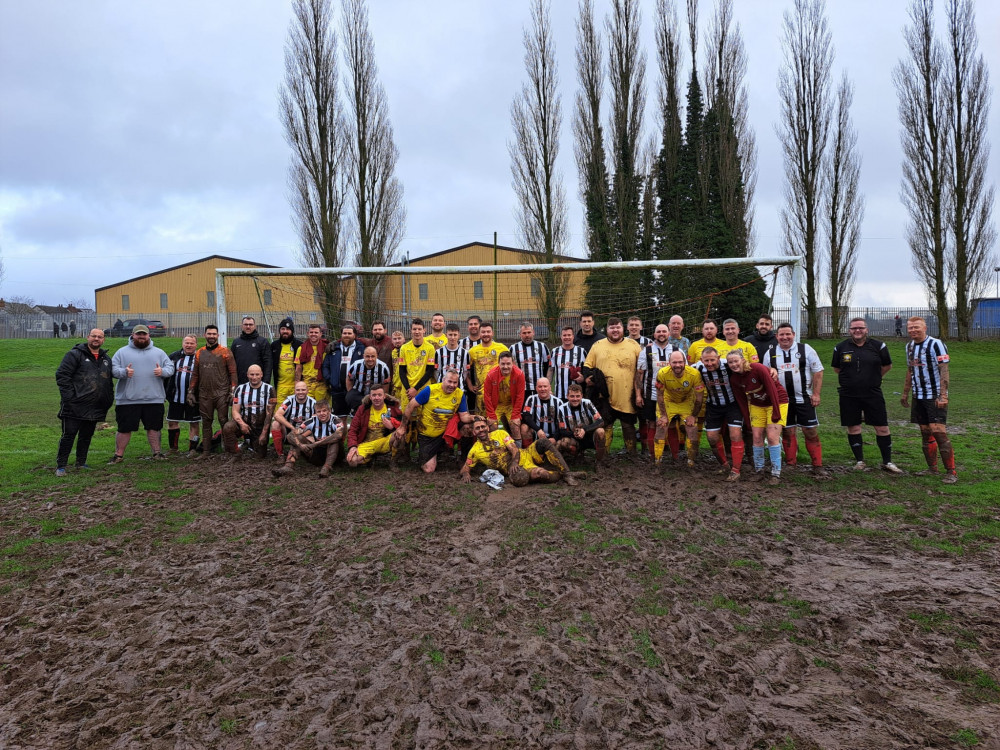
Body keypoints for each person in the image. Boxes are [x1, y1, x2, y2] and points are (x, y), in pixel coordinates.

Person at [832, 317, 902, 473]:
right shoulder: (840, 347)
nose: (857, 331)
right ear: (849, 330)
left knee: (882, 427)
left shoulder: (879, 346)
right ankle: (860, 461)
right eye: (854, 328)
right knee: (853, 427)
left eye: (860, 328)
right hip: (848, 394)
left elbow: (887, 365)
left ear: (866, 330)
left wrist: (872, 379)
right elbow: (837, 368)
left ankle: (887, 462)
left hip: (872, 393)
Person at [762, 323, 826, 475]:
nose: (785, 337)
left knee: (810, 431)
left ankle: (817, 466)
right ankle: (791, 463)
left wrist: (816, 394)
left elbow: (818, 371)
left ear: (794, 334)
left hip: (804, 398)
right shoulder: (769, 354)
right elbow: (765, 377)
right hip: (782, 401)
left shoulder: (806, 349)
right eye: (781, 335)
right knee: (788, 431)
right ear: (776, 336)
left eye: (787, 334)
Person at [901, 316, 957, 483]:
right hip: (918, 396)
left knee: (939, 432)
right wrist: (905, 393)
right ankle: (932, 469)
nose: (913, 330)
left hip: (934, 396)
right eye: (910, 328)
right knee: (925, 432)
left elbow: (944, 369)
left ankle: (951, 472)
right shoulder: (909, 347)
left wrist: (943, 395)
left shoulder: (936, 344)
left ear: (925, 328)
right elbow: (910, 370)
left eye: (916, 327)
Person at [109, 324, 175, 463]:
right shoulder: (121, 352)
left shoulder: (159, 352)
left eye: (144, 334)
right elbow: (113, 370)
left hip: (154, 398)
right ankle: (118, 455)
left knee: (154, 428)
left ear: (148, 335)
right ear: (132, 335)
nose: (141, 337)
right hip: (128, 399)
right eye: (138, 334)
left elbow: (170, 368)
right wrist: (124, 372)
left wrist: (162, 372)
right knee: (124, 428)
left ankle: (157, 453)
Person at [54, 328, 114, 476]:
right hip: (74, 405)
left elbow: (108, 380)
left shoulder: (106, 358)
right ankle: (61, 466)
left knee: (86, 435)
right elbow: (62, 376)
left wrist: (108, 399)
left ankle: (81, 463)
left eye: (100, 337)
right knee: (69, 435)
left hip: (94, 406)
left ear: (103, 340)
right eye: (94, 336)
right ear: (88, 337)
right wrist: (70, 398)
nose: (96, 339)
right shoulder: (74, 355)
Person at [460, 415, 581, 486]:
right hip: (518, 469)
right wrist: (466, 473)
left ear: (487, 427)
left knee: (544, 442)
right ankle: (559, 474)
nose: (481, 430)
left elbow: (514, 449)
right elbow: (466, 468)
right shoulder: (475, 450)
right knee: (534, 476)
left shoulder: (500, 433)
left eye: (483, 426)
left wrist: (514, 462)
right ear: (474, 432)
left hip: (526, 453)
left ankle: (567, 473)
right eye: (478, 428)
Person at [726, 349, 788, 485]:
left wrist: (776, 412)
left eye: (736, 361)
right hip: (757, 404)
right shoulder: (734, 379)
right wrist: (747, 421)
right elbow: (742, 400)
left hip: (776, 401)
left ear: (743, 360)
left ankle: (775, 473)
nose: (734, 364)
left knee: (772, 437)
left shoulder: (757, 369)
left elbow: (772, 389)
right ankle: (759, 470)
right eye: (730, 362)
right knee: (757, 437)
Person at [394, 368, 473, 473]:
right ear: (443, 380)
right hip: (427, 435)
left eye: (455, 382)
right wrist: (402, 427)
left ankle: (463, 459)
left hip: (445, 433)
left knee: (468, 427)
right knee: (429, 469)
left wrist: (475, 418)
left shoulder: (459, 394)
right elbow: (410, 406)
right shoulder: (430, 390)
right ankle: (435, 452)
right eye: (449, 381)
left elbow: (464, 417)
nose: (452, 385)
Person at [582, 316, 641, 456]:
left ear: (623, 329)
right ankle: (604, 455)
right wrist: (589, 379)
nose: (615, 330)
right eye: (612, 328)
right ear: (607, 330)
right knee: (606, 425)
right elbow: (587, 366)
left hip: (627, 394)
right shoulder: (598, 345)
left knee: (628, 426)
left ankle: (632, 454)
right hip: (604, 396)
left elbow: (641, 369)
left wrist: (639, 392)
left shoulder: (633, 345)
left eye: (618, 327)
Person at [693, 347, 745, 480]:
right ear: (701, 360)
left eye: (712, 360)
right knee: (711, 437)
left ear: (718, 357)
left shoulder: (728, 365)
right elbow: (683, 369)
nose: (710, 363)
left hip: (732, 405)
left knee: (735, 435)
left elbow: (747, 367)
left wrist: (772, 369)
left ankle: (736, 470)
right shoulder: (698, 368)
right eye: (706, 361)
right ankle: (724, 465)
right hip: (713, 406)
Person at [187, 324, 238, 458]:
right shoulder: (200, 352)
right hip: (204, 393)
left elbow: (233, 372)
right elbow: (195, 374)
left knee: (223, 420)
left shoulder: (225, 352)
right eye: (209, 334)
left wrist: (233, 391)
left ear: (218, 335)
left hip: (221, 392)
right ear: (205, 335)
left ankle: (228, 451)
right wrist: (191, 391)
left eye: (213, 334)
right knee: (206, 422)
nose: (211, 336)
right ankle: (206, 451)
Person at [654, 350, 705, 467]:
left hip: (686, 401)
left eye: (680, 362)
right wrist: (663, 415)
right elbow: (660, 395)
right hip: (668, 400)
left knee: (692, 429)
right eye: (674, 362)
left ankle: (691, 463)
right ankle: (657, 462)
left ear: (685, 362)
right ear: (669, 363)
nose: (677, 365)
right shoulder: (662, 373)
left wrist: (693, 416)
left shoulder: (694, 374)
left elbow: (699, 398)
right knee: (661, 426)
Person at [272, 400, 344, 478]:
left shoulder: (336, 420)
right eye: (319, 411)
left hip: (336, 456)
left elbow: (338, 435)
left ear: (329, 411)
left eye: (324, 411)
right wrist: (300, 445)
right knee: (297, 439)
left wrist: (315, 444)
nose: (322, 414)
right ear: (315, 413)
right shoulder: (311, 421)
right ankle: (288, 466)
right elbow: (291, 435)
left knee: (334, 440)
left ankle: (327, 467)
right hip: (317, 455)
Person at [635, 324, 675, 456]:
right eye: (659, 331)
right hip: (650, 394)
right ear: (654, 334)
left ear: (669, 334)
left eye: (664, 331)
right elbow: (639, 374)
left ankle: (674, 457)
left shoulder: (676, 351)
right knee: (652, 424)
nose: (661, 334)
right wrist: (638, 395)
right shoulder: (645, 351)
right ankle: (654, 456)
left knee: (671, 425)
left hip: (671, 396)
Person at [221, 364, 276, 459]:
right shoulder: (240, 388)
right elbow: (235, 411)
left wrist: (264, 433)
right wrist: (242, 424)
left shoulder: (270, 389)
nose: (254, 377)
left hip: (260, 425)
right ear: (247, 375)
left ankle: (254, 444)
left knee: (260, 456)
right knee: (228, 427)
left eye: (257, 374)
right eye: (251, 374)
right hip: (245, 422)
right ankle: (235, 453)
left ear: (261, 375)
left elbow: (269, 415)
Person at [346, 384, 403, 467]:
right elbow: (353, 429)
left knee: (401, 434)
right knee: (352, 462)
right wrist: (352, 447)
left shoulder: (392, 408)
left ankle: (393, 461)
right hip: (367, 443)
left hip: (385, 441)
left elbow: (403, 426)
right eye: (374, 395)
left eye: (379, 395)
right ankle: (370, 457)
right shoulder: (363, 409)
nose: (377, 398)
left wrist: (392, 427)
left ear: (384, 396)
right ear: (370, 397)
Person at [165, 334, 201, 455]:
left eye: (191, 343)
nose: (189, 345)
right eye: (186, 343)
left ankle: (192, 449)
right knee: (172, 421)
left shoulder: (199, 357)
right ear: (182, 343)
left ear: (196, 345)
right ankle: (173, 449)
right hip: (175, 396)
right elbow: (166, 374)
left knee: (194, 423)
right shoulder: (174, 357)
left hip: (194, 398)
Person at [557, 383, 606, 465]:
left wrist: (584, 430)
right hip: (574, 437)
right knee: (563, 443)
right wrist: (575, 433)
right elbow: (562, 430)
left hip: (589, 435)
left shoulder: (587, 403)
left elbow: (600, 421)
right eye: (572, 396)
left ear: (582, 396)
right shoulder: (562, 408)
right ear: (567, 396)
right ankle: (578, 454)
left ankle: (599, 462)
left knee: (600, 431)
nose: (575, 399)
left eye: (577, 396)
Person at [322, 325, 364, 415]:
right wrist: (331, 379)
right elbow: (325, 366)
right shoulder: (333, 348)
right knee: (340, 418)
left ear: (354, 335)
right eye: (344, 333)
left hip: (355, 389)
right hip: (337, 389)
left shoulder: (361, 348)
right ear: (341, 335)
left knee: (356, 416)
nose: (347, 335)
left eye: (349, 333)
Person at [467, 323, 509, 410]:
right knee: (483, 420)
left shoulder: (502, 348)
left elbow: (512, 366)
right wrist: (470, 385)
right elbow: (465, 369)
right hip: (482, 392)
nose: (486, 334)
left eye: (488, 332)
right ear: (479, 334)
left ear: (492, 333)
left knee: (500, 419)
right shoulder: (473, 351)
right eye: (483, 332)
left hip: (500, 390)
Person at [398, 318, 438, 409]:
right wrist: (409, 389)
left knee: (422, 417)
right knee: (407, 416)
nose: (417, 332)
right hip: (407, 389)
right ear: (411, 330)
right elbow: (402, 371)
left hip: (423, 388)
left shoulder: (430, 348)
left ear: (424, 330)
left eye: (419, 329)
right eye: (414, 329)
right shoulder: (404, 348)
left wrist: (415, 389)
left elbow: (430, 371)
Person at [484, 351, 526, 436]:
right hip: (497, 405)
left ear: (512, 363)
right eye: (503, 364)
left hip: (511, 405)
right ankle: (495, 448)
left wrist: (515, 415)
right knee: (492, 425)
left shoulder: (519, 374)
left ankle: (518, 448)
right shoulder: (491, 375)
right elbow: (487, 396)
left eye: (508, 364)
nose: (505, 367)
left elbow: (520, 396)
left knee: (515, 425)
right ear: (498, 363)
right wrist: (491, 415)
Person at [270, 380, 316, 457]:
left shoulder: (313, 403)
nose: (300, 392)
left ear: (307, 391)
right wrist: (291, 427)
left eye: (303, 390)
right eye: (298, 390)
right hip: (289, 430)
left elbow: (316, 421)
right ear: (294, 391)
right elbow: (277, 415)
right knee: (275, 424)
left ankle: (306, 451)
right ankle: (280, 454)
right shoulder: (289, 401)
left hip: (305, 433)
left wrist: (302, 432)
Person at [520, 376, 564, 448]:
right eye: (540, 387)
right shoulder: (531, 399)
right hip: (537, 433)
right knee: (524, 427)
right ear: (536, 388)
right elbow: (526, 416)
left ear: (550, 387)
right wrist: (538, 430)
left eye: (545, 386)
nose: (543, 389)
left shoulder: (558, 402)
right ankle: (528, 452)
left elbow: (562, 423)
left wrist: (555, 438)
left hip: (553, 436)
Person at [510, 322, 550, 400]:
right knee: (523, 411)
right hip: (521, 387)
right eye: (524, 333)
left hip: (539, 388)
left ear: (533, 333)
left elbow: (547, 366)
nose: (527, 335)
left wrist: (545, 382)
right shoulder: (513, 348)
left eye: (529, 332)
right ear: (520, 334)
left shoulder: (542, 346)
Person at [345, 345, 391, 413]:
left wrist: (381, 397)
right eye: (367, 356)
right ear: (363, 356)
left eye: (372, 356)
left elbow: (385, 385)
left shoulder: (383, 368)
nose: (370, 359)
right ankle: (355, 414)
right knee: (350, 397)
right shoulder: (356, 365)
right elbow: (349, 379)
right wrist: (350, 391)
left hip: (375, 393)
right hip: (359, 392)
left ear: (376, 356)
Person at [547, 326, 586, 401]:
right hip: (559, 394)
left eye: (569, 335)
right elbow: (551, 370)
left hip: (576, 395)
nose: (567, 337)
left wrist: (583, 378)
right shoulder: (555, 351)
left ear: (573, 336)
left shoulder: (581, 351)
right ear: (561, 337)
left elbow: (586, 370)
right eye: (564, 335)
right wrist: (548, 387)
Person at [230, 315, 272, 385]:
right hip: (240, 382)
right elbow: (232, 363)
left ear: (255, 326)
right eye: (246, 324)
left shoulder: (262, 342)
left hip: (257, 383)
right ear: (242, 326)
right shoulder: (236, 342)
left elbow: (268, 363)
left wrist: (266, 381)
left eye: (250, 324)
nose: (248, 326)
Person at [294, 323, 329, 404]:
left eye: (316, 332)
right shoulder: (301, 348)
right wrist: (297, 384)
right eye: (311, 332)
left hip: (321, 384)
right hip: (307, 383)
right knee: (307, 408)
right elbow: (298, 368)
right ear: (308, 333)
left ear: (320, 334)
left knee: (322, 409)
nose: (313, 334)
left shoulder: (326, 348)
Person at [270, 317, 302, 404]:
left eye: (288, 329)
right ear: (279, 330)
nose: (285, 331)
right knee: (279, 412)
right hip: (281, 386)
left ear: (292, 331)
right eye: (283, 329)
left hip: (296, 386)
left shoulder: (300, 345)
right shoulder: (274, 346)